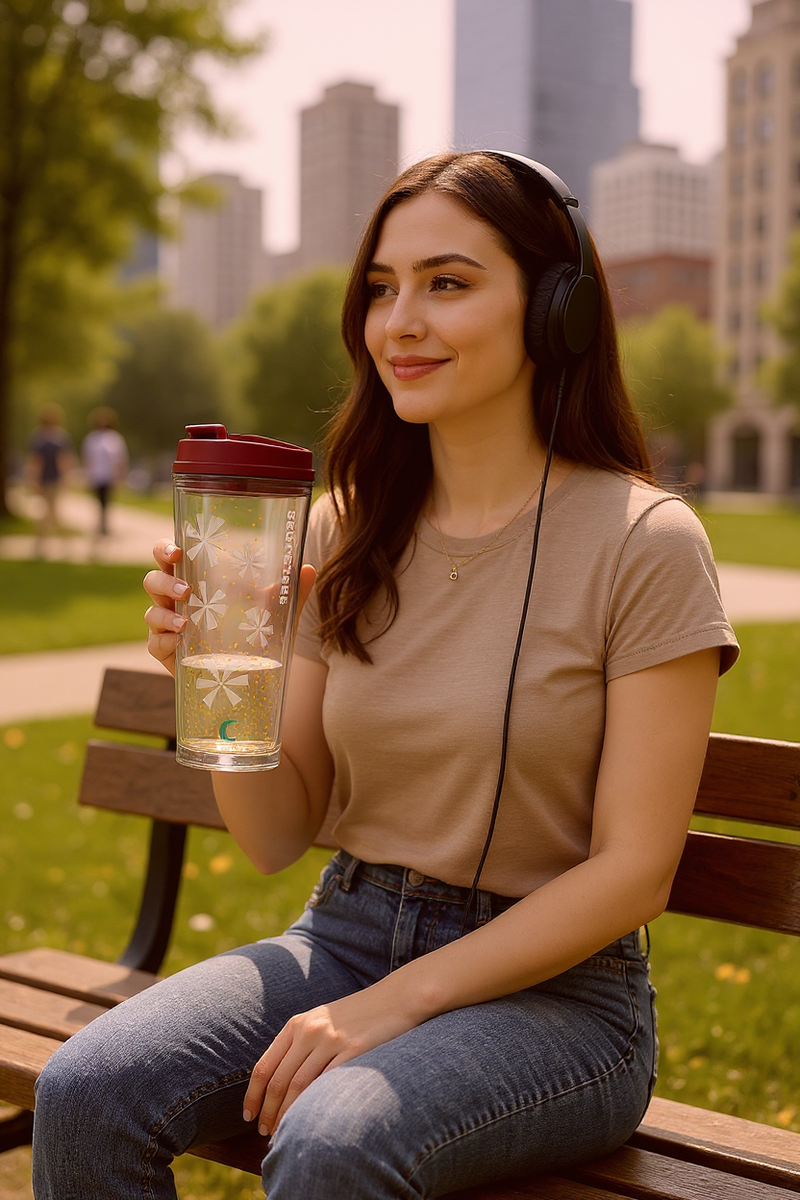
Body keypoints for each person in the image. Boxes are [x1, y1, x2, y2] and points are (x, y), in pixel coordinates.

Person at [32, 151, 739, 1199]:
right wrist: (225, 689)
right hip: (348, 928)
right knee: (83, 1090)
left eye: (445, 283)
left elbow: (633, 872)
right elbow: (275, 836)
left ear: (556, 312)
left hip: (560, 1001)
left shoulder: (645, 542)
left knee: (335, 1139)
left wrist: (395, 1004)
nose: (397, 321)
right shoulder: (344, 526)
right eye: (380, 288)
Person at [24, 403, 74, 554]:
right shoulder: (58, 437)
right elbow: (62, 460)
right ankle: (59, 542)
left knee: (49, 512)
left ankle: (43, 543)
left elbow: (36, 461)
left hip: (49, 479)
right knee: (51, 512)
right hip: (51, 479)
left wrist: (32, 479)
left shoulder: (40, 437)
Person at [82, 406, 129, 537]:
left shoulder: (115, 439)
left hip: (109, 476)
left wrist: (120, 477)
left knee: (107, 502)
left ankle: (105, 526)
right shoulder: (92, 439)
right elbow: (88, 458)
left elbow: (120, 459)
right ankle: (100, 525)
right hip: (96, 476)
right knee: (98, 502)